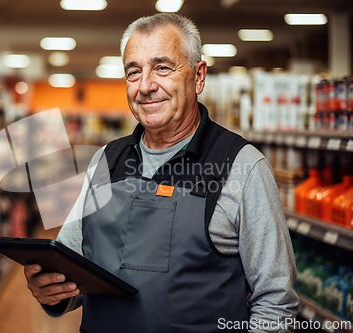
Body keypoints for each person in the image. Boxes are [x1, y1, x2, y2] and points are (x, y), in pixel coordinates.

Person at [24, 13, 299, 333]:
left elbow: (276, 300)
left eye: (162, 67)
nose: (145, 86)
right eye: (133, 71)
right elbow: (74, 266)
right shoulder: (107, 161)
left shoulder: (242, 166)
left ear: (198, 76)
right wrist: (53, 291)